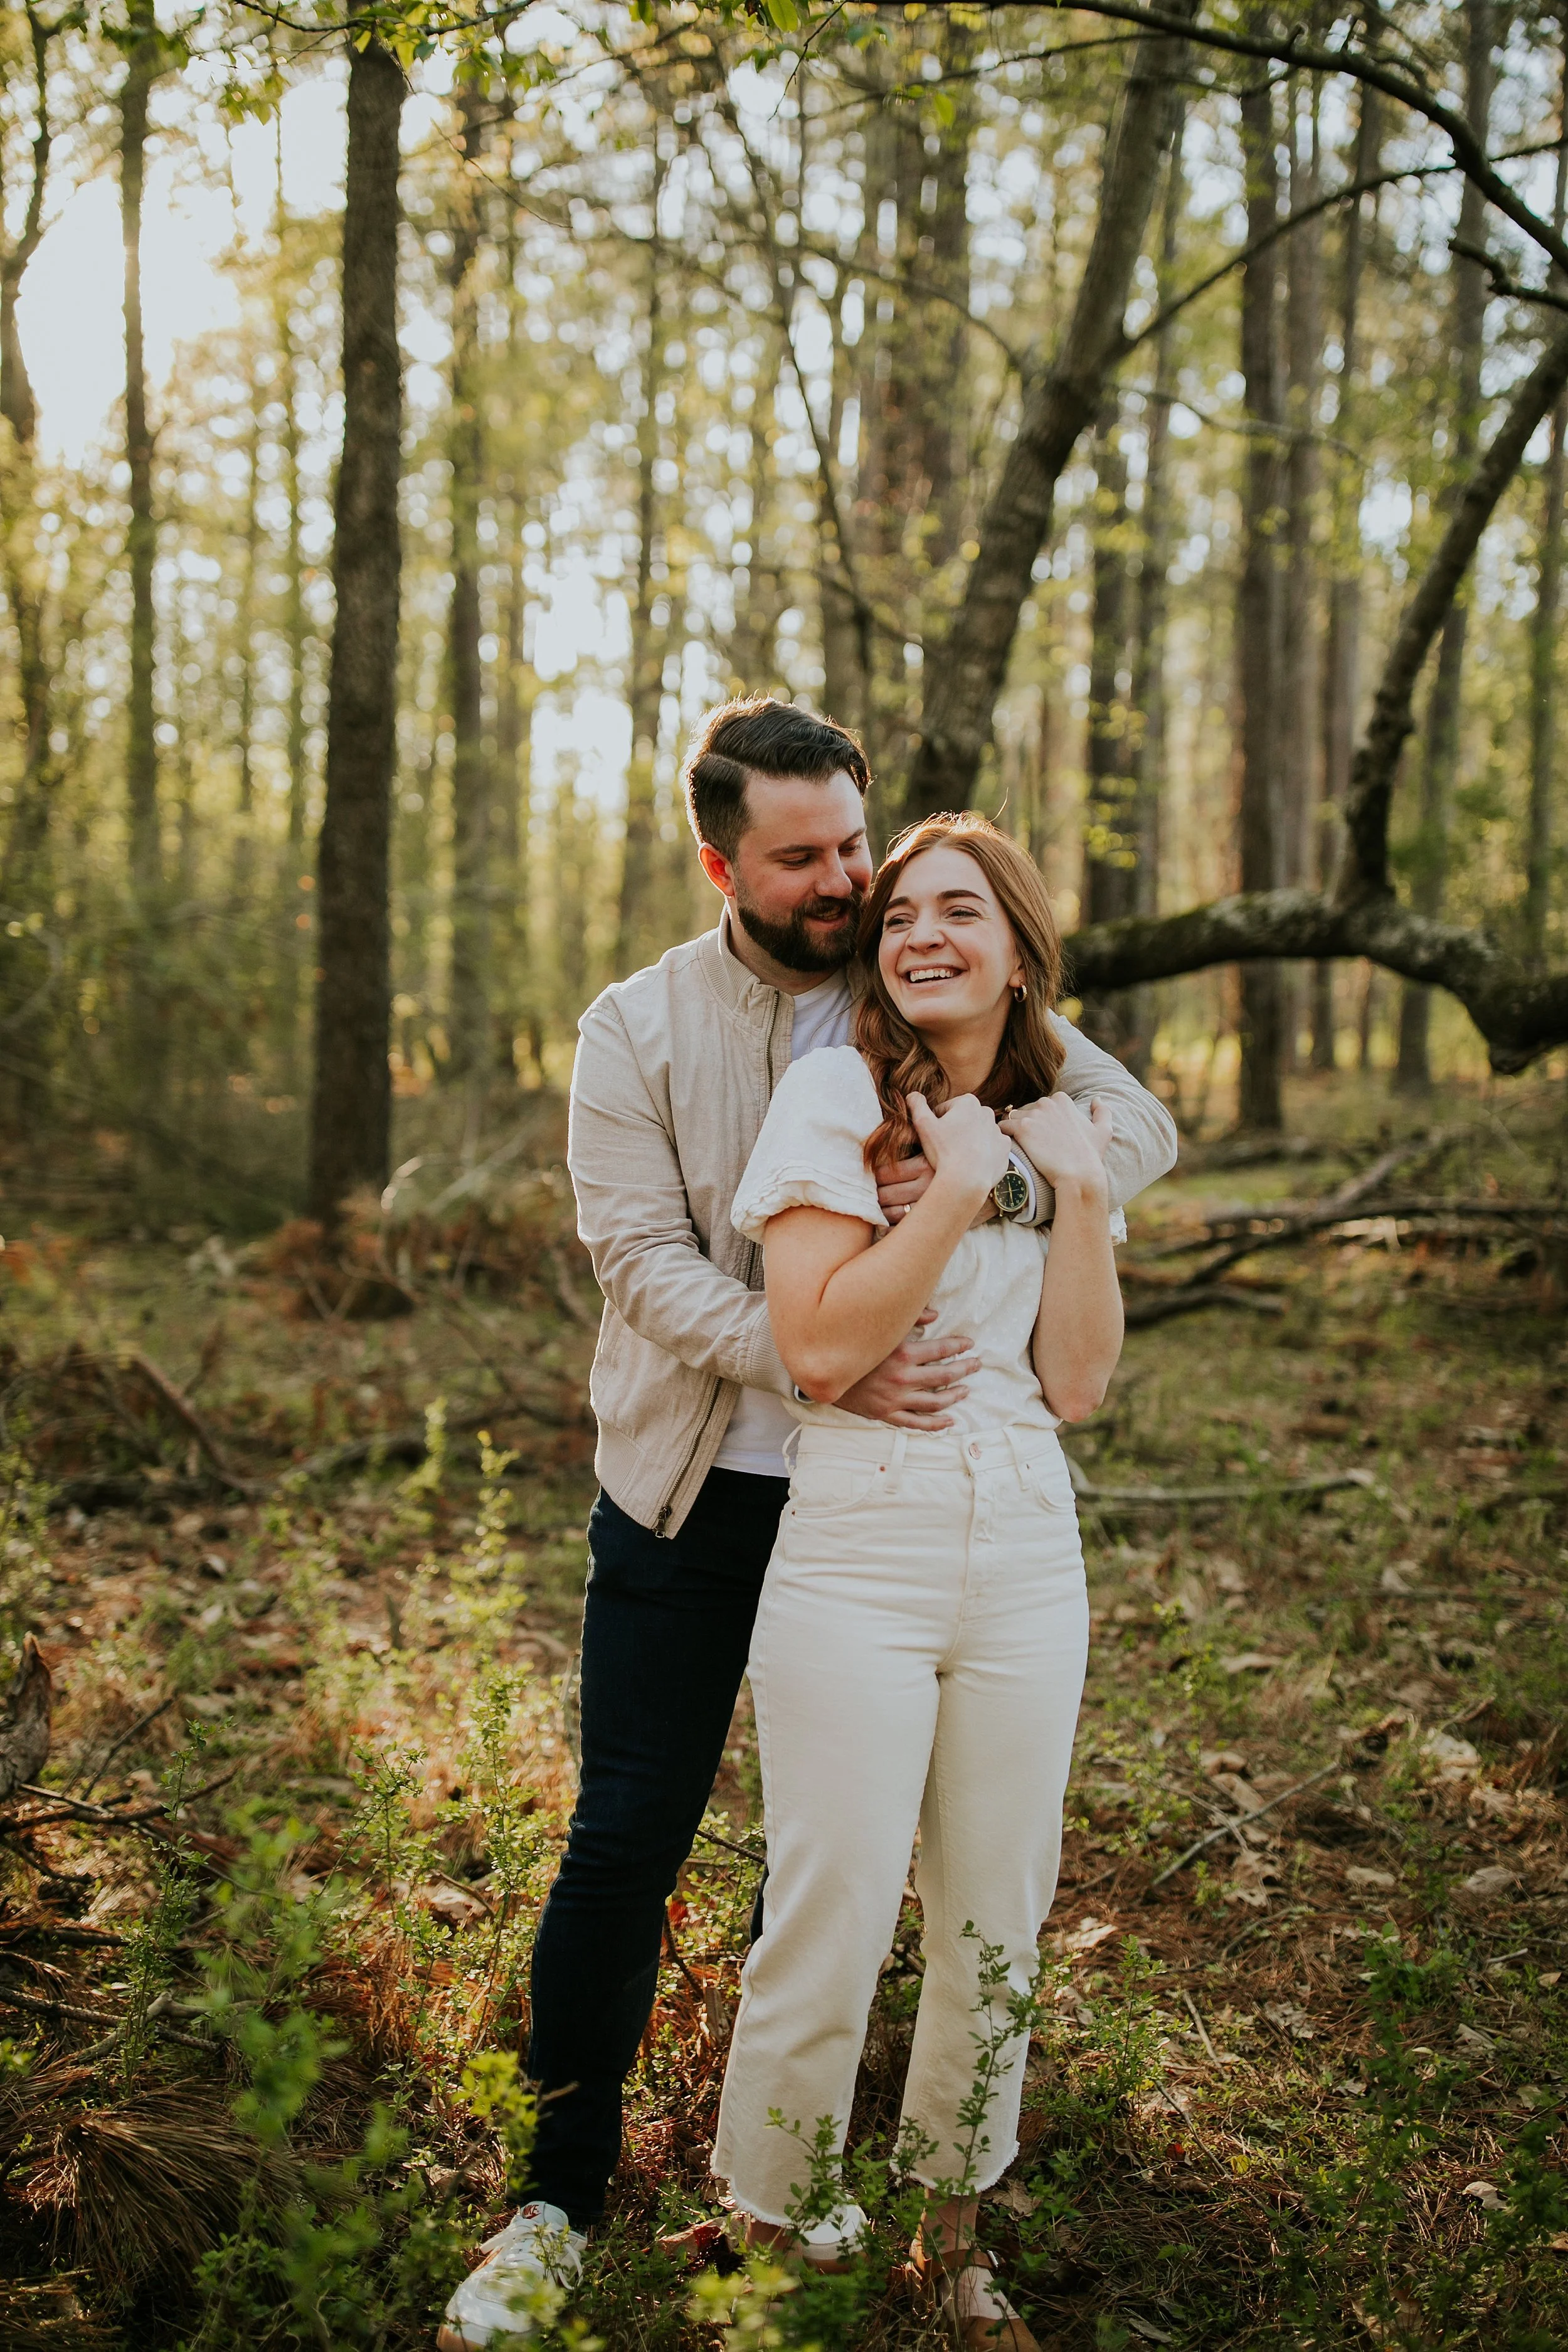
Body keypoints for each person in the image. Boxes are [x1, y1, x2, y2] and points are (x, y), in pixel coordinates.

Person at [437, 704, 1176, 2351]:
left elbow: (1127, 1120)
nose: (849, 878)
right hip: (703, 1483)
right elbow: (639, 1267)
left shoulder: (911, 967)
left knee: (831, 1868)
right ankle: (555, 2196)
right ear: (722, 864)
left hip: (901, 1507)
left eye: (856, 839)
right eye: (806, 857)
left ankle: (781, 2174)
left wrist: (1005, 1183)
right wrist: (832, 1339)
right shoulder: (635, 1027)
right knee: (628, 1832)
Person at [711, 813, 1121, 2352]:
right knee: (826, 1902)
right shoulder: (832, 1096)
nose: (919, 936)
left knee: (995, 1916)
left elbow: (1075, 1383)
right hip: (858, 1551)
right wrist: (949, 1190)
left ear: (1017, 951)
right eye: (899, 916)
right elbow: (815, 1347)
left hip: (1024, 1545)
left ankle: (951, 2242)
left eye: (960, 912)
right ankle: (769, 2229)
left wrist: (1071, 1188)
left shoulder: (1063, 1115)